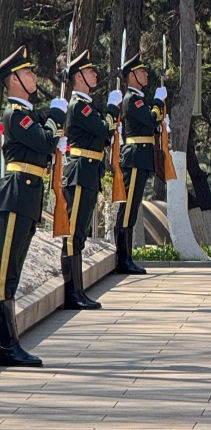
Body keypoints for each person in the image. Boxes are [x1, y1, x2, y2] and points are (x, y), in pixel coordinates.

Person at [0, 46, 67, 366]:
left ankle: (8, 343)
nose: (34, 76)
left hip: (28, 196)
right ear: (14, 79)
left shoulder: (29, 113)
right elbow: (43, 141)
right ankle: (6, 345)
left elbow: (46, 140)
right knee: (4, 274)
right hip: (15, 195)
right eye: (28, 72)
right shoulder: (15, 114)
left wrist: (53, 121)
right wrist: (56, 118)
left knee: (12, 272)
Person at [61, 51, 121, 309]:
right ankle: (72, 293)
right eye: (89, 71)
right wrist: (111, 109)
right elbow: (102, 128)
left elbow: (104, 136)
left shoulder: (87, 106)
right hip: (79, 172)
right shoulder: (79, 105)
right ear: (78, 77)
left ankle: (78, 290)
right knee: (73, 235)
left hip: (89, 171)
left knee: (80, 234)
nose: (95, 74)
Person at [117, 52, 166, 275]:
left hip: (141, 157)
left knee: (132, 208)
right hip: (135, 157)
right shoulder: (132, 99)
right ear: (132, 75)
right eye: (142, 71)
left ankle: (126, 257)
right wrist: (157, 102)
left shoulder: (138, 99)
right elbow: (150, 118)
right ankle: (123, 258)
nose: (146, 74)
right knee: (128, 209)